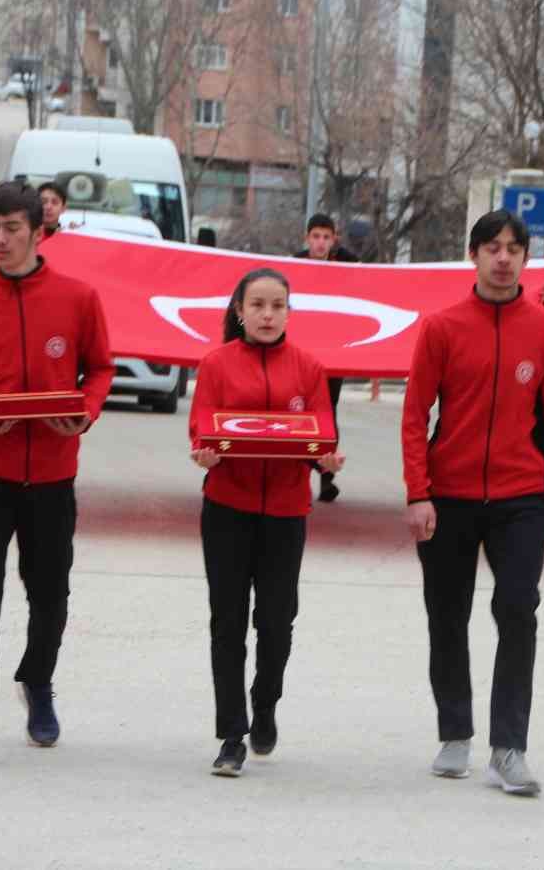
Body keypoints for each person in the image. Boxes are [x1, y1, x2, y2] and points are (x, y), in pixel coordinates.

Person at [0, 181, 114, 771]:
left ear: (40, 232)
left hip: (53, 477)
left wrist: (83, 414)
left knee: (51, 596)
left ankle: (37, 679)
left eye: (13, 228)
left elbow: (101, 368)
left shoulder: (78, 298)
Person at [401, 209, 544, 798]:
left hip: (520, 495)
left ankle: (509, 748)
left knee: (519, 609)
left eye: (513, 248)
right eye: (491, 247)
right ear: (473, 254)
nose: (503, 258)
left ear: (527, 258)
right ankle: (455, 733)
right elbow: (414, 413)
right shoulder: (442, 327)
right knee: (447, 614)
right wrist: (418, 492)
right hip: (448, 495)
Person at [187, 268, 344, 777]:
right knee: (227, 623)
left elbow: (323, 433)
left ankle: (266, 703)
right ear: (239, 310)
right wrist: (205, 454)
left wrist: (327, 460)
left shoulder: (309, 367)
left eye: (277, 305)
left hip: (285, 513)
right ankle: (231, 733)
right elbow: (202, 428)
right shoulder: (215, 365)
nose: (267, 314)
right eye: (257, 304)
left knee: (277, 622)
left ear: (289, 312)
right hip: (227, 511)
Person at [292, 212, 357, 502]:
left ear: (334, 240)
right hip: (301, 355)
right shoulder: (292, 264)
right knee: (299, 412)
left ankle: (326, 476)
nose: (320, 243)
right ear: (307, 239)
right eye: (315, 237)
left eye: (326, 238)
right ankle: (301, 472)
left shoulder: (347, 264)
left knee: (327, 411)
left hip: (334, 354)